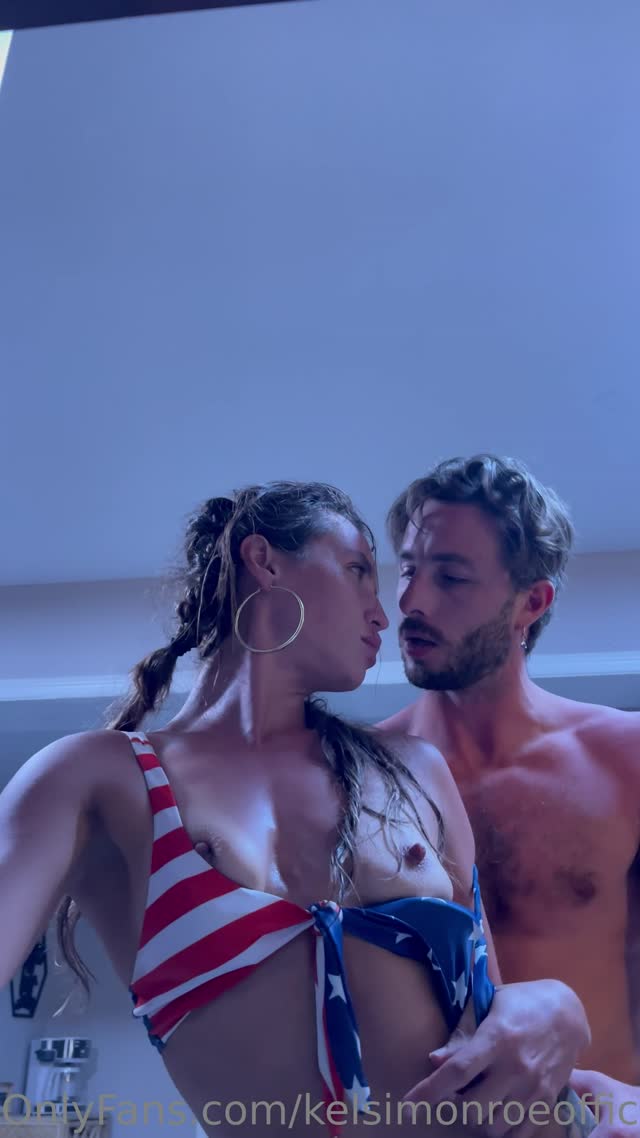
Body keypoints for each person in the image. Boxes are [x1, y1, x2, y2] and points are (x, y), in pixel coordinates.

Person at [0, 481, 593, 1138]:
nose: (384, 614)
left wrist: (555, 1003)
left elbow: (496, 1018)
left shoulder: (413, 770)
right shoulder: (96, 777)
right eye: (358, 570)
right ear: (265, 561)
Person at [379, 455, 640, 1130]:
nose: (410, 601)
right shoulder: (364, 775)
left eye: (450, 577)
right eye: (407, 569)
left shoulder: (625, 757)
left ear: (532, 602)